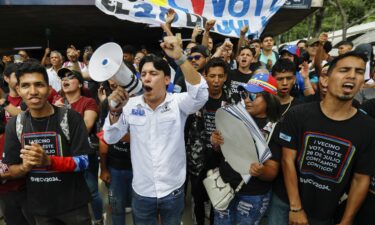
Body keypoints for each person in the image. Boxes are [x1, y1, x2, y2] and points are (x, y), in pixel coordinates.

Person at [103, 36, 208, 225]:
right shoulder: (129, 105)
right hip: (142, 191)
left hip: (173, 189)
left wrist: (181, 58)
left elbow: (200, 94)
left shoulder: (178, 102)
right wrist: (114, 112)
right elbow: (110, 137)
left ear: (167, 79)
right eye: (143, 74)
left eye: (153, 73)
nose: (146, 78)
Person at [280, 51, 375, 225]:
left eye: (359, 72)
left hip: (325, 214)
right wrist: (295, 207)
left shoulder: (369, 128)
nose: (352, 76)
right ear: (325, 79)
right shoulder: (298, 115)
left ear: (363, 82)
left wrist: (346, 222)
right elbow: (287, 160)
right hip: (287, 204)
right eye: (344, 70)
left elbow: (361, 179)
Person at [2, 62, 92, 225]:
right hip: (40, 209)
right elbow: (11, 167)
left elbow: (84, 161)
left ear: (49, 88)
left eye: (39, 85)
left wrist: (49, 161)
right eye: (26, 86)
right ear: (19, 90)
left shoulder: (70, 118)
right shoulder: (15, 125)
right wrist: (25, 167)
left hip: (74, 206)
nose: (33, 91)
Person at [211, 73, 282, 225]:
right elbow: (224, 151)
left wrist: (261, 171)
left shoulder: (276, 128)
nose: (246, 99)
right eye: (244, 94)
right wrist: (216, 143)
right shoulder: (235, 115)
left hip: (252, 195)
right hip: (224, 187)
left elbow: (272, 172)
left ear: (269, 98)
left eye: (253, 95)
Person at [54, 68, 103, 225]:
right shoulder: (56, 104)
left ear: (81, 84)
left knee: (92, 191)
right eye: (62, 78)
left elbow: (86, 126)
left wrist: (62, 112)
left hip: (84, 154)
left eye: (70, 77)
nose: (65, 80)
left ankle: (98, 219)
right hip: (63, 155)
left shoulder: (88, 102)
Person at [186, 58, 229, 225]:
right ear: (205, 76)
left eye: (220, 76)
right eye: (212, 76)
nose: (216, 80)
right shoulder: (196, 99)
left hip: (222, 162)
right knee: (198, 200)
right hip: (198, 162)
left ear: (225, 77)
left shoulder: (232, 101)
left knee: (218, 202)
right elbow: (189, 132)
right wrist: (209, 140)